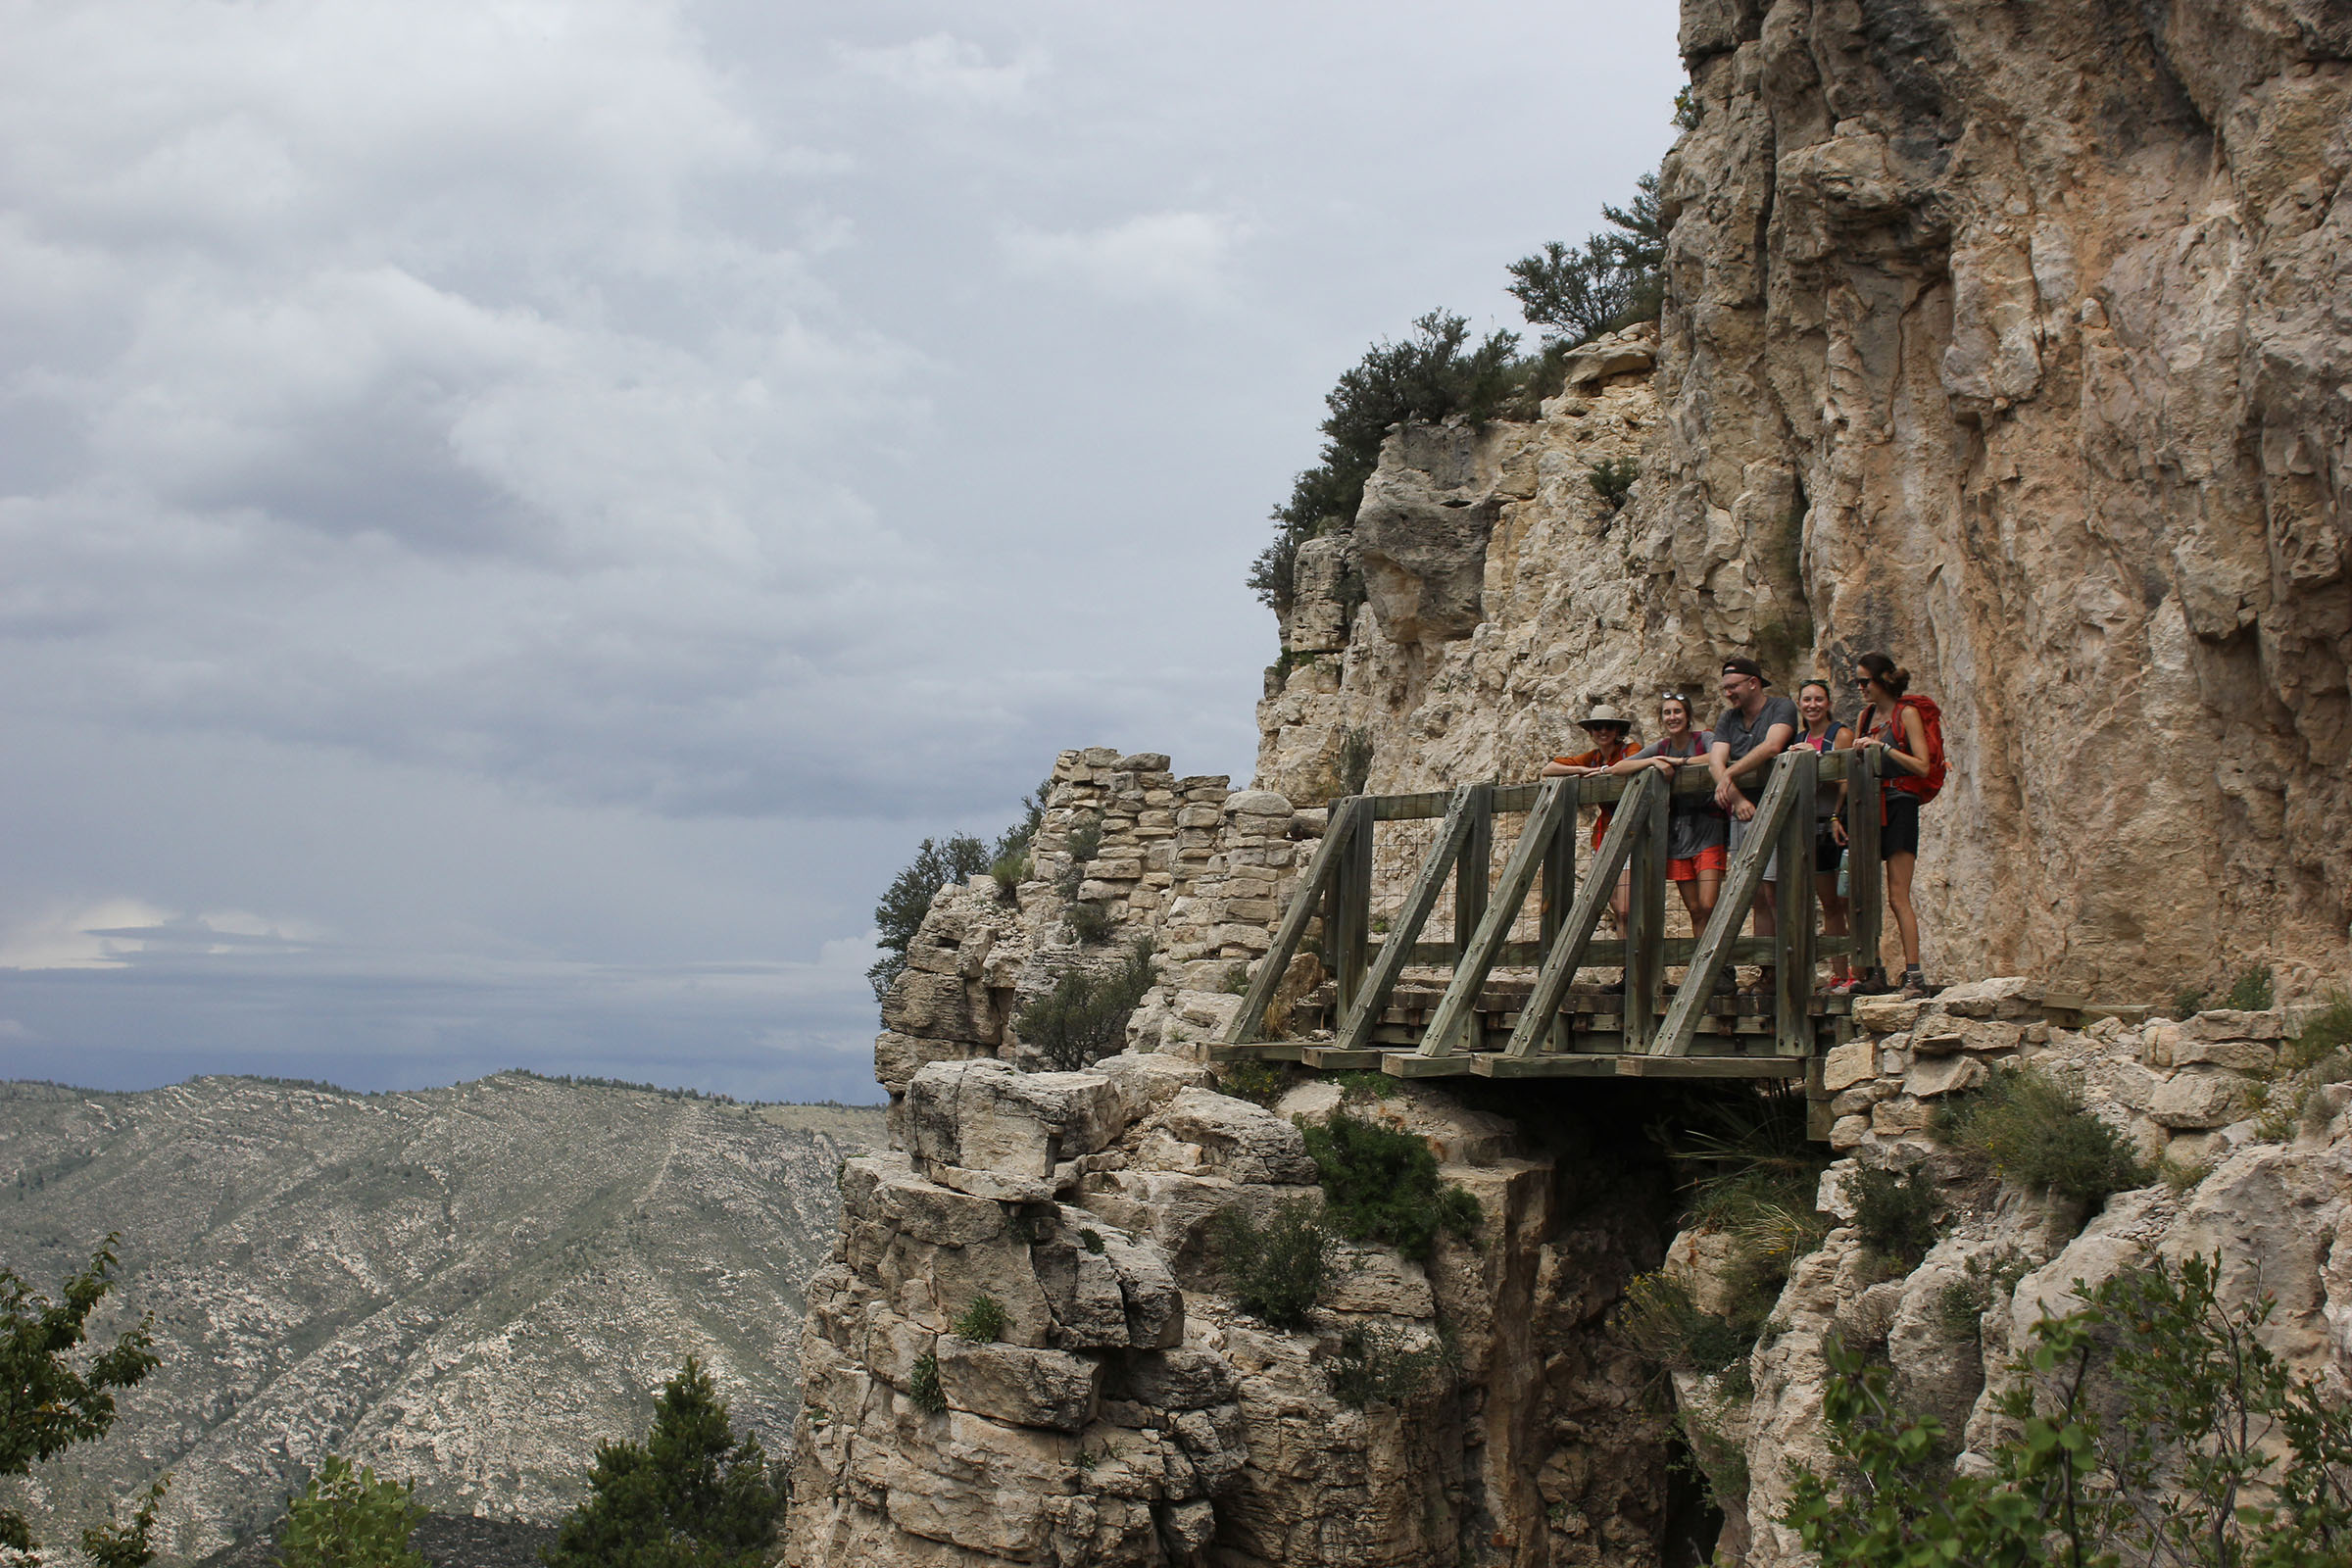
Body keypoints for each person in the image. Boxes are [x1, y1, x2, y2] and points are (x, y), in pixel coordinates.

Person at [1706, 658, 1798, 999]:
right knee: (1756, 891)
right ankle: (1767, 971)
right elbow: (1716, 760)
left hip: (1777, 807)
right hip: (1744, 810)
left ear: (1754, 683)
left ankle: (1788, 967)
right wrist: (1737, 796)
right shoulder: (1729, 718)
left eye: (1733, 686)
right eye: (1725, 688)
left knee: (1775, 889)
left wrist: (1730, 775)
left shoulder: (1781, 707)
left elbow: (1773, 746)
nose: (1728, 694)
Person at [1609, 693, 1727, 939]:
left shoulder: (1704, 738)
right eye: (1667, 713)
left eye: (1677, 712)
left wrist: (1680, 761)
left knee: (1708, 905)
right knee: (1694, 909)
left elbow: (1718, 757)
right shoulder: (1661, 747)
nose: (1672, 717)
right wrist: (1652, 761)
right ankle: (1700, 966)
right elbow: (1618, 768)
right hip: (1677, 836)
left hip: (1708, 830)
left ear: (1688, 716)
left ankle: (1719, 968)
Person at [1854, 653, 1937, 999]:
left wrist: (1883, 750)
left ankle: (1914, 974)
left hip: (1900, 803)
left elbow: (1922, 766)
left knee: (1897, 894)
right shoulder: (1865, 717)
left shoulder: (1907, 713)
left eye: (1865, 682)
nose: (1861, 688)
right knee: (1865, 892)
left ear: (1882, 681)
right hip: (1870, 806)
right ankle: (1873, 969)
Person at [1542, 703, 1641, 933]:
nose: (1602, 731)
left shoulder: (1630, 750)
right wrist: (1583, 771)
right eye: (1597, 727)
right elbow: (1549, 768)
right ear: (1591, 732)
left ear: (1618, 731)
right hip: (1605, 833)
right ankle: (1626, 965)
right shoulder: (1593, 758)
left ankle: (1634, 961)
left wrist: (1604, 771)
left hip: (1631, 831)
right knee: (1617, 906)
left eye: (1608, 727)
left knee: (1626, 907)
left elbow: (1628, 767)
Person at [1794, 679, 1856, 992]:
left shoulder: (1840, 734)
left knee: (1850, 899)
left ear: (1829, 704)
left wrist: (1837, 813)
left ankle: (1858, 971)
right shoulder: (1799, 737)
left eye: (1819, 699)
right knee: (1829, 903)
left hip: (1838, 821)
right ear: (1799, 704)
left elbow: (1846, 777)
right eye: (1807, 699)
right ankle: (1838, 972)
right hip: (1812, 825)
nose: (1813, 705)